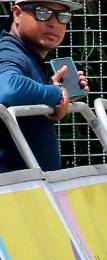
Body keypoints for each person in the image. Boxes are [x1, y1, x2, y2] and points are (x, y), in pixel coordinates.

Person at [0, 0, 89, 173]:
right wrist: (58, 94)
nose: (54, 23)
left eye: (62, 16)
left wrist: (59, 95)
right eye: (43, 12)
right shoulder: (9, 51)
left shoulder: (27, 55)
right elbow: (8, 88)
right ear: (17, 14)